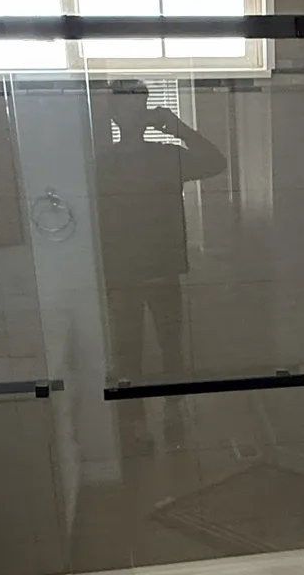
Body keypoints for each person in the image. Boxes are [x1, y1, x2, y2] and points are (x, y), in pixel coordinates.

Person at [92, 79, 228, 445]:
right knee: (141, 351)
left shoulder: (159, 156)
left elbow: (217, 163)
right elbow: (216, 161)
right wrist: (175, 128)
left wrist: (176, 128)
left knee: (155, 349)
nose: (131, 113)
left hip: (150, 270)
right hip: (133, 272)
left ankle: (163, 416)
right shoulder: (107, 160)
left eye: (137, 105)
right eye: (126, 106)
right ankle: (148, 419)